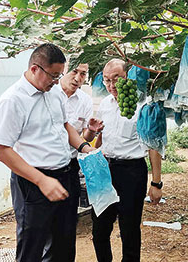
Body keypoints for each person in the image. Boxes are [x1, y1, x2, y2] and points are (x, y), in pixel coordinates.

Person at [0, 43, 95, 262]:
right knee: (33, 243)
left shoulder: (54, 93)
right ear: (34, 69)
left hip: (65, 175)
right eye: (53, 75)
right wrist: (42, 181)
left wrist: (85, 148)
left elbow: (65, 125)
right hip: (33, 182)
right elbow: (3, 151)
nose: (56, 81)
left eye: (59, 76)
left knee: (64, 241)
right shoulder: (13, 100)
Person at [92, 59, 163, 262]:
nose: (111, 85)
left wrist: (156, 182)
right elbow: (101, 137)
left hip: (131, 172)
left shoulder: (143, 105)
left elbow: (153, 145)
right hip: (105, 170)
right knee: (99, 229)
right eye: (107, 80)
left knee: (129, 229)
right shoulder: (105, 104)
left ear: (128, 77)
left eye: (117, 79)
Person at [41, 63, 104, 261]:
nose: (78, 78)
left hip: (70, 165)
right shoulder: (47, 93)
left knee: (67, 222)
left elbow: (80, 136)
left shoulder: (84, 100)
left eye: (83, 74)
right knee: (43, 225)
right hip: (44, 167)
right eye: (74, 72)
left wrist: (91, 132)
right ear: (62, 72)